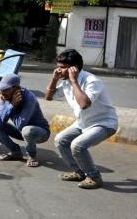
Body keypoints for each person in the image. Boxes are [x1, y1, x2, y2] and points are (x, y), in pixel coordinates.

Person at [45, 49, 117, 189]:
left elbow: (84, 104)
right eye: (58, 66)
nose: (59, 70)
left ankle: (94, 177)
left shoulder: (92, 81)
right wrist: (54, 79)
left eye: (63, 67)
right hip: (83, 123)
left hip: (104, 124)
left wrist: (73, 81)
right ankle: (79, 172)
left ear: (74, 68)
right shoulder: (65, 81)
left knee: (77, 146)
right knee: (60, 140)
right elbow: (48, 97)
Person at [0, 73, 50, 167]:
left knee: (27, 130)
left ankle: (32, 155)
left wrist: (12, 106)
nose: (2, 92)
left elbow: (20, 125)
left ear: (16, 88)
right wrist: (11, 105)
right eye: (1, 89)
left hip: (40, 133)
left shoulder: (29, 98)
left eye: (6, 89)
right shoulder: (5, 97)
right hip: (21, 131)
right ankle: (15, 152)